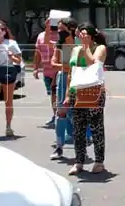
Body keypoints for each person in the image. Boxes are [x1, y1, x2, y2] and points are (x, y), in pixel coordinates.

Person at [67, 23, 108, 175]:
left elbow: (93, 63)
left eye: (84, 34)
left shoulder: (100, 48)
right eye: (79, 35)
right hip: (77, 91)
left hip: (94, 91)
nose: (80, 37)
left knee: (96, 127)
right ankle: (79, 161)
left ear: (91, 35)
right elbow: (72, 72)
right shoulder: (75, 49)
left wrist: (85, 47)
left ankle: (99, 161)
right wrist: (67, 93)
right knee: (78, 128)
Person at [50, 18, 79, 159]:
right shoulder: (59, 44)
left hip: (78, 79)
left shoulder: (78, 43)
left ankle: (80, 145)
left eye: (62, 29)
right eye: (58, 29)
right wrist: (65, 67)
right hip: (63, 79)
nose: (59, 31)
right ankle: (59, 147)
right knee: (61, 112)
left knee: (77, 113)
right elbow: (53, 62)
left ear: (71, 29)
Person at [33, 21, 59, 128]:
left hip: (58, 70)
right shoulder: (41, 35)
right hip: (47, 71)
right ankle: (56, 115)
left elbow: (52, 46)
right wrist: (35, 68)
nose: (49, 23)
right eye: (47, 21)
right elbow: (37, 52)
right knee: (53, 95)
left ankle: (60, 116)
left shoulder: (59, 35)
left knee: (58, 95)